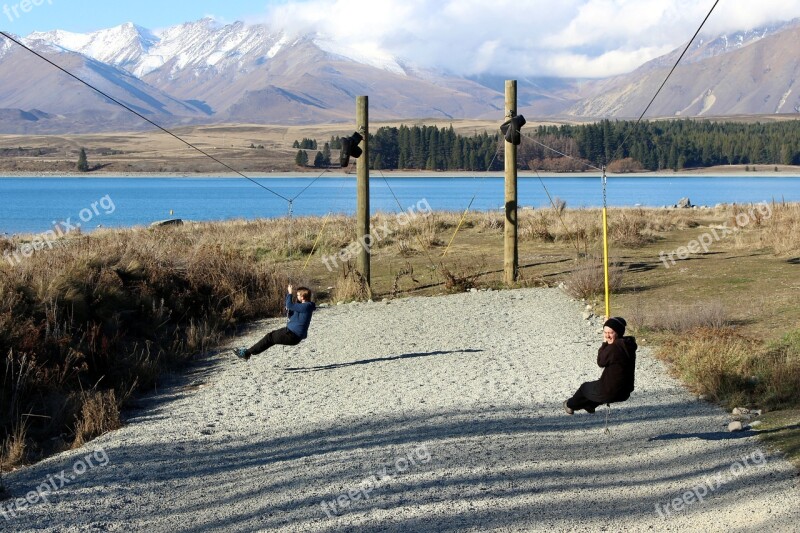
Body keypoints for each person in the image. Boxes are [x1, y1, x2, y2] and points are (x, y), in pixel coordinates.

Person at [564, 317, 637, 415]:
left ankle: (569, 405)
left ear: (618, 332)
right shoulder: (628, 345)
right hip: (625, 392)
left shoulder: (614, 348)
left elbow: (601, 362)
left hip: (611, 392)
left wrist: (604, 344)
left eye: (610, 333)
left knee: (585, 388)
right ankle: (589, 406)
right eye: (605, 332)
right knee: (596, 389)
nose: (607, 336)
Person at [232, 285, 316, 361]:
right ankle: (247, 353)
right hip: (290, 332)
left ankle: (246, 353)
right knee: (270, 336)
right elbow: (292, 311)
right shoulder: (304, 306)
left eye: (297, 295)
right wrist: (289, 310)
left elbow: (290, 304)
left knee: (270, 338)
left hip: (293, 336)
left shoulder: (306, 306)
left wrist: (290, 293)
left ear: (303, 297)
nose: (296, 297)